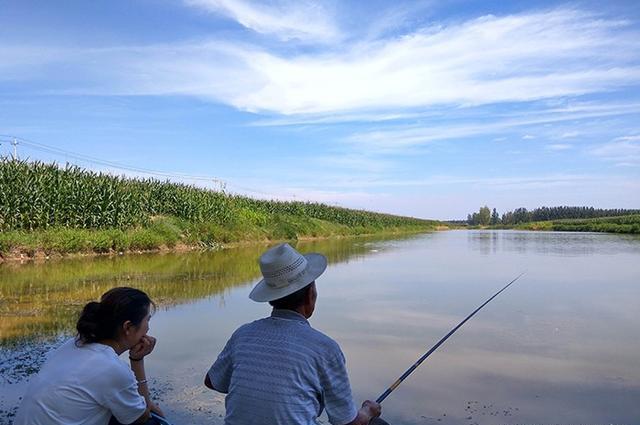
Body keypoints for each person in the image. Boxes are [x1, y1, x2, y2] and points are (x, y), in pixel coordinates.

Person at [205, 243, 387, 425]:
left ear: (271, 298)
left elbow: (212, 382)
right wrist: (367, 411)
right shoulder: (325, 348)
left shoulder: (243, 335)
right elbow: (349, 423)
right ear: (311, 294)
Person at [14, 287, 166, 425]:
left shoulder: (75, 343)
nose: (148, 328)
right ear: (127, 327)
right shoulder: (111, 369)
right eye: (147, 320)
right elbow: (141, 417)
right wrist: (137, 361)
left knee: (120, 409)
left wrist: (142, 405)